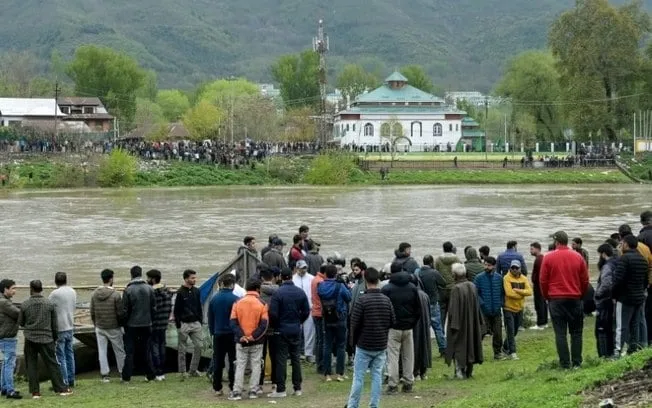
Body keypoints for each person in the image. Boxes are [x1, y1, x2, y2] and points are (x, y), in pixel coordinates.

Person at [345, 268, 395, 408]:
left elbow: (354, 324)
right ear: (378, 280)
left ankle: (353, 405)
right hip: (380, 345)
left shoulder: (362, 301)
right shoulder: (386, 300)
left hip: (363, 345)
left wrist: (353, 344)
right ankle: (374, 405)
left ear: (365, 280)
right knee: (376, 377)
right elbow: (392, 321)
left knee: (358, 378)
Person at [540, 231, 589, 369]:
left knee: (560, 333)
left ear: (556, 242)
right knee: (576, 332)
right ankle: (577, 362)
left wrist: (546, 296)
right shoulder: (578, 256)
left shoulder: (548, 258)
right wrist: (581, 295)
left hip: (556, 299)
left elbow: (543, 280)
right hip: (574, 297)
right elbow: (584, 279)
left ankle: (565, 363)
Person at [19, 280, 72, 399]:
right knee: (52, 364)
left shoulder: (25, 304)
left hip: (30, 338)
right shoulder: (49, 304)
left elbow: (21, 322)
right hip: (46, 338)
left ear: (31, 289)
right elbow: (54, 325)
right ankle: (61, 388)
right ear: (41, 289)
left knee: (31, 365)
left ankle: (35, 392)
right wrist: (54, 338)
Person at [269, 268, 310, 398]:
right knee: (295, 358)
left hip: (281, 330)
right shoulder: (300, 292)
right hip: (295, 328)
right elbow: (306, 311)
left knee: (281, 359)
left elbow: (273, 314)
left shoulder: (278, 293)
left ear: (281, 276)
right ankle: (297, 388)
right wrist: (299, 321)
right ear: (291, 277)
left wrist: (277, 325)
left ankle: (281, 389)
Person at [381, 262, 421, 393]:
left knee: (393, 356)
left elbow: (384, 309)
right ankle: (408, 382)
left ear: (391, 272)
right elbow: (418, 308)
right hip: (408, 327)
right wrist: (412, 322)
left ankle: (393, 384)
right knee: (408, 355)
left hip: (393, 327)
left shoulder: (387, 289)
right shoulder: (412, 287)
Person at [229, 279, 269, 401]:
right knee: (256, 365)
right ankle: (253, 390)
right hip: (257, 341)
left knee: (240, 365)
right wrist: (254, 336)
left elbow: (233, 322)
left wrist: (241, 335)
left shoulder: (237, 302)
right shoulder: (262, 303)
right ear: (258, 289)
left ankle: (237, 391)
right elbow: (264, 324)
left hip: (241, 340)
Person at [613, 234, 649, 357]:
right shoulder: (642, 259)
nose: (620, 246)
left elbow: (618, 280)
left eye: (622, 244)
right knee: (635, 324)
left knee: (621, 326)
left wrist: (614, 295)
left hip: (625, 298)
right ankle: (633, 349)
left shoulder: (624, 259)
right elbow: (645, 281)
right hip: (639, 297)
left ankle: (617, 351)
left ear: (626, 245)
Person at [444, 264, 484, 379]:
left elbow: (453, 310)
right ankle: (469, 371)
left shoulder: (456, 289)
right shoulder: (472, 285)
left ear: (454, 275)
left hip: (460, 324)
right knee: (471, 344)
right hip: (472, 322)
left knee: (458, 345)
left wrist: (453, 325)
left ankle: (459, 372)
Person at [121, 265, 156, 383]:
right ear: (141, 274)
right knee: (146, 350)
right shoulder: (149, 288)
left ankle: (126, 377)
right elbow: (153, 308)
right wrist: (152, 321)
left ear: (131, 275)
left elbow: (125, 310)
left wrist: (124, 324)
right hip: (147, 323)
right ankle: (150, 375)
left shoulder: (128, 289)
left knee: (130, 352)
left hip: (132, 325)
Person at [90, 269, 126, 383]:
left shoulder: (94, 294)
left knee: (102, 351)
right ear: (111, 279)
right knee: (119, 350)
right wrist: (121, 325)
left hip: (100, 327)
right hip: (113, 326)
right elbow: (120, 313)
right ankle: (122, 372)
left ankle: (105, 375)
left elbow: (92, 311)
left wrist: (96, 323)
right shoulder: (115, 295)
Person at [318, 264, 352, 383]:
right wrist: (345, 285)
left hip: (327, 318)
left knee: (327, 345)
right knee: (341, 346)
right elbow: (349, 298)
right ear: (336, 274)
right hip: (340, 318)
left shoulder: (321, 286)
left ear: (325, 274)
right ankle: (339, 373)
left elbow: (320, 295)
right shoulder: (340, 286)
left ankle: (327, 373)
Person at [208, 273, 239, 396]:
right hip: (232, 334)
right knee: (233, 361)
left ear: (221, 284)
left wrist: (212, 332)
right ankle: (232, 386)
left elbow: (210, 318)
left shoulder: (214, 299)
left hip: (218, 333)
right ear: (233, 285)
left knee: (218, 361)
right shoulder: (236, 299)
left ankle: (217, 388)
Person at [473, 256, 505, 360]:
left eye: (489, 265)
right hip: (484, 311)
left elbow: (502, 293)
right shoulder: (479, 278)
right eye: (485, 264)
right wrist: (482, 304)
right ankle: (475, 353)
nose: (486, 267)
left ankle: (497, 353)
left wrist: (501, 303)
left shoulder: (499, 278)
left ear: (494, 266)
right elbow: (475, 293)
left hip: (496, 310)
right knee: (481, 332)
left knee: (498, 333)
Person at [49, 272, 77, 388]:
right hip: (70, 325)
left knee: (60, 355)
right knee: (69, 353)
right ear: (66, 280)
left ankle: (63, 380)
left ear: (55, 281)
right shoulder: (72, 291)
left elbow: (48, 307)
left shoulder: (54, 294)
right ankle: (71, 379)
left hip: (60, 328)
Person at [174, 269, 203, 378]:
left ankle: (193, 370)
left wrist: (200, 320)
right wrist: (178, 325)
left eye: (195, 278)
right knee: (182, 348)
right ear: (186, 279)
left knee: (199, 346)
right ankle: (182, 371)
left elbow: (199, 306)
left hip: (196, 323)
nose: (194, 280)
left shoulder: (197, 291)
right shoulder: (180, 292)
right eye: (192, 278)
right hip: (184, 323)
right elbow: (176, 310)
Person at [146, 269, 173, 381]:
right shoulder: (167, 291)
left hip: (154, 324)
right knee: (162, 347)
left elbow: (151, 309)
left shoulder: (152, 293)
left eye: (148, 278)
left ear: (152, 279)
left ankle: (157, 372)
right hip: (164, 323)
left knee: (154, 348)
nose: (146, 280)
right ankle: (162, 372)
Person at [502, 260, 532, 360]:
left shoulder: (524, 278)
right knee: (510, 330)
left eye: (516, 268)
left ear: (520, 269)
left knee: (515, 331)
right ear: (510, 268)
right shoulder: (506, 278)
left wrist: (518, 290)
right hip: (508, 308)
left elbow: (529, 292)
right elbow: (509, 293)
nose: (514, 270)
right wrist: (521, 295)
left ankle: (505, 346)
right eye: (513, 268)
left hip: (519, 308)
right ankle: (512, 352)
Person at [420, 255, 447, 356]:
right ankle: (443, 348)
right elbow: (443, 283)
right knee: (438, 327)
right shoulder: (434, 272)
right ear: (431, 263)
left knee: (424, 328)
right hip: (434, 302)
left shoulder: (418, 273)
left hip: (422, 304)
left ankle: (424, 350)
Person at [0, 279, 22, 399]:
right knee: (9, 364)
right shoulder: (4, 303)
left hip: (3, 336)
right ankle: (10, 390)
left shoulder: (3, 301)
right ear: (5, 289)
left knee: (5, 363)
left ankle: (3, 387)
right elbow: (19, 314)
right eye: (13, 288)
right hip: (8, 337)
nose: (15, 291)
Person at [594, 244, 617, 358]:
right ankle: (611, 351)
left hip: (604, 301)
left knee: (601, 329)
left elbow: (606, 284)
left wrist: (597, 294)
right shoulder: (616, 262)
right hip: (613, 300)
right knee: (611, 329)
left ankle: (604, 354)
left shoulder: (607, 266)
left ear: (603, 254)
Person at [259, 268, 279, 390]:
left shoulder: (259, 292)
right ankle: (274, 382)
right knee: (274, 355)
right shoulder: (278, 291)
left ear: (262, 279)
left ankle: (260, 384)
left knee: (261, 356)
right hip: (275, 327)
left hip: (261, 328)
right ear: (272, 278)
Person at [292, 260, 315, 363]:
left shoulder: (311, 278)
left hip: (309, 308)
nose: (304, 270)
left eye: (305, 268)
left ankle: (308, 354)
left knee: (309, 332)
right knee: (296, 332)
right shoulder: (293, 279)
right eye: (302, 268)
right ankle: (296, 353)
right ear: (297, 269)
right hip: (296, 309)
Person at [435, 241, 461, 327]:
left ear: (443, 249)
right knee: (453, 311)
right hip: (454, 288)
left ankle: (441, 332)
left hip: (442, 289)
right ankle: (452, 331)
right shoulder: (457, 259)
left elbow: (436, 273)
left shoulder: (438, 259)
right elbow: (460, 273)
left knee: (442, 311)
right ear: (451, 248)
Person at [310, 265, 327, 375]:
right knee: (321, 340)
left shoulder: (314, 279)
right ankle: (321, 364)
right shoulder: (321, 282)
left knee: (318, 339)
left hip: (315, 311)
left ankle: (318, 362)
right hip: (320, 312)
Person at [529, 242, 548, 330]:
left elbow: (541, 273)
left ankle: (540, 323)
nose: (530, 251)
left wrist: (537, 281)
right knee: (542, 303)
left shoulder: (539, 259)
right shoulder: (541, 258)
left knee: (539, 303)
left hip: (538, 284)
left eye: (532, 249)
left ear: (537, 249)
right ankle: (544, 322)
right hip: (540, 284)